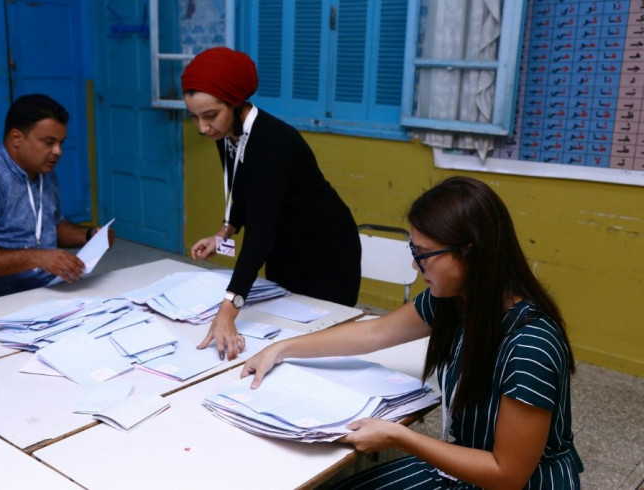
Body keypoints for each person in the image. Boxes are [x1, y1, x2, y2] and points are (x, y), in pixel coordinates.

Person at [241, 176, 583, 488]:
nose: (414, 267)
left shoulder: (530, 344)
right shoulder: (458, 300)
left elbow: (506, 474)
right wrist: (280, 348)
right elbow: (373, 333)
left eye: (423, 256)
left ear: (471, 252)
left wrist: (399, 438)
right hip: (466, 467)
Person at [181, 47, 361, 360]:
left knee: (321, 346)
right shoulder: (228, 134)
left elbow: (259, 236)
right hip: (284, 246)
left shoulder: (273, 143)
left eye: (210, 116)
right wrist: (224, 231)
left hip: (326, 252)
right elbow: (242, 189)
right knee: (281, 340)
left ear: (236, 103)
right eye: (194, 117)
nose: (202, 128)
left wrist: (228, 311)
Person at [0, 93, 114, 304]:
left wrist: (89, 236)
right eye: (49, 142)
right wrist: (38, 257)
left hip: (49, 290)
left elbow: (52, 226)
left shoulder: (45, 173)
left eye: (61, 143)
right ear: (17, 138)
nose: (58, 151)